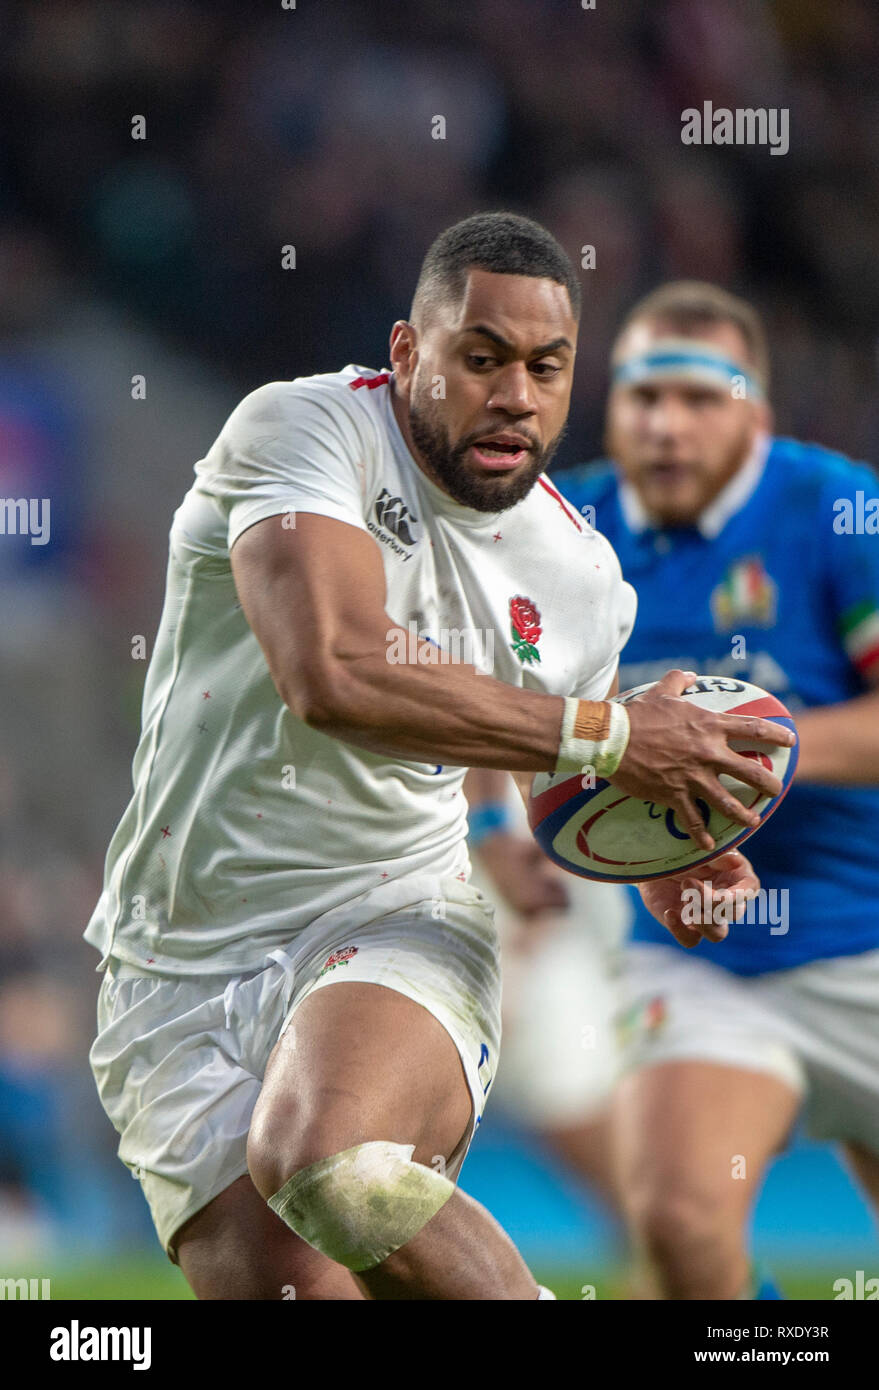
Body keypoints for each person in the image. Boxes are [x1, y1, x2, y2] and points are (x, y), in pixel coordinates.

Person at [84, 218, 787, 1300]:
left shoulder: (582, 581)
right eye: (482, 357)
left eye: (546, 368)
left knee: (337, 1166)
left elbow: (572, 799)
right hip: (173, 961)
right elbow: (332, 674)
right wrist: (606, 734)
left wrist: (673, 870)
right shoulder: (301, 432)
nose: (516, 395)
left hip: (395, 913)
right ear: (410, 353)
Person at [562, 280, 879, 1300]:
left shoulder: (841, 510)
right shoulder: (566, 531)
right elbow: (513, 712)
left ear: (757, 415)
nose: (666, 424)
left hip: (867, 931)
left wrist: (745, 748)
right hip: (700, 948)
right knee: (682, 1222)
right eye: (642, 395)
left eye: (702, 398)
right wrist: (498, 826)